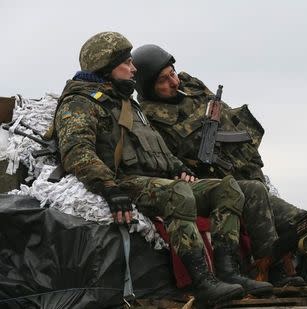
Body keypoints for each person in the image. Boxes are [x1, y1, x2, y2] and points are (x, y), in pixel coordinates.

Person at [53, 32, 272, 305]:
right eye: (126, 63)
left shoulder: (127, 102)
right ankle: (202, 282)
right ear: (105, 67)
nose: (134, 69)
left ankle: (229, 272)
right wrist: (108, 188)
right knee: (178, 193)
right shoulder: (81, 102)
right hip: (127, 182)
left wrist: (177, 165)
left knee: (226, 188)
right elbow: (77, 152)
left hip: (159, 180)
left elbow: (152, 146)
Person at [132, 44, 307, 286]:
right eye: (163, 80)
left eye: (172, 73)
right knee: (260, 196)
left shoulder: (189, 85)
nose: (173, 82)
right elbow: (167, 162)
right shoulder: (149, 118)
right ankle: (275, 271)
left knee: (306, 222)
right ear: (147, 86)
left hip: (245, 174)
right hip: (215, 186)